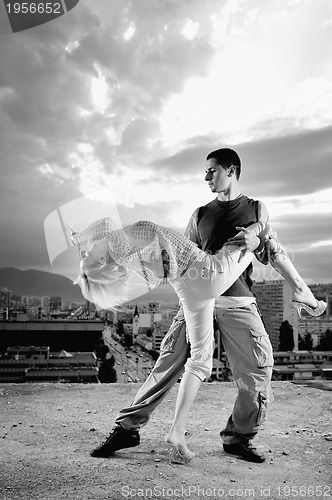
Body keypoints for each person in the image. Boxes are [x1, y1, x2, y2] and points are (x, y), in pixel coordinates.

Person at [86, 148, 326, 464]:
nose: (206, 176)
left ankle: (238, 437)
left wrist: (255, 237)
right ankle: (127, 428)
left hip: (238, 300)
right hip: (200, 295)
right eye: (205, 171)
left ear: (232, 170)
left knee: (257, 368)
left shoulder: (255, 208)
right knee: (167, 362)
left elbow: (265, 247)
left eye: (212, 170)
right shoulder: (199, 214)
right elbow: (184, 259)